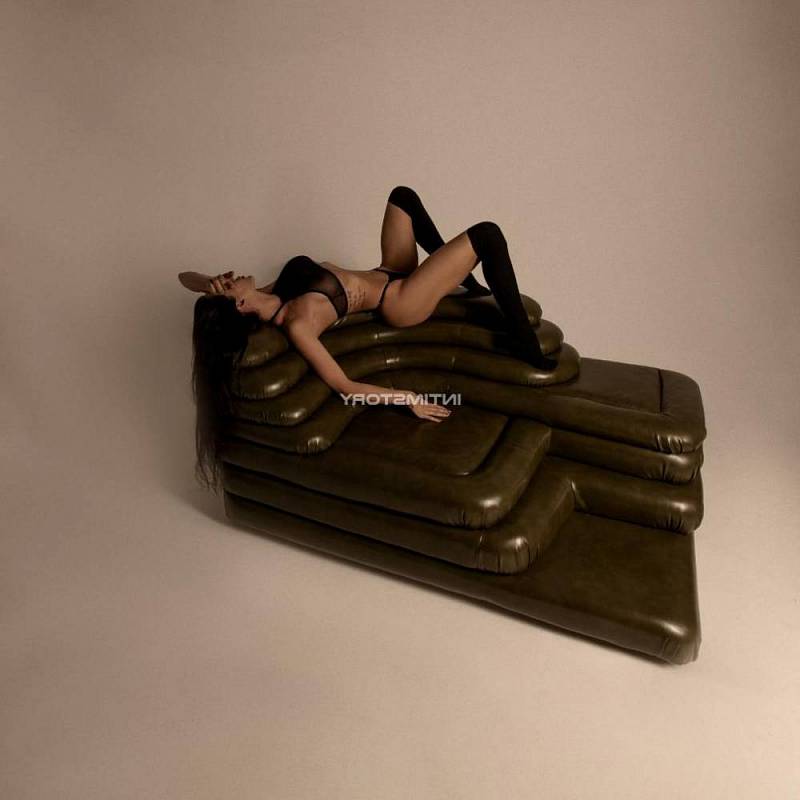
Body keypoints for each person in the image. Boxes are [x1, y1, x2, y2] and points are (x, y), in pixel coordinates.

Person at [179, 186, 558, 491]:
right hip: (401, 299)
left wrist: (208, 284)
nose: (229, 276)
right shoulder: (296, 322)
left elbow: (184, 277)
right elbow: (344, 386)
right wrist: (408, 398)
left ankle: (468, 282)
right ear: (240, 304)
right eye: (228, 284)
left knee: (402, 197)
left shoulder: (269, 292)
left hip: (390, 270)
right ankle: (523, 340)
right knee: (487, 235)